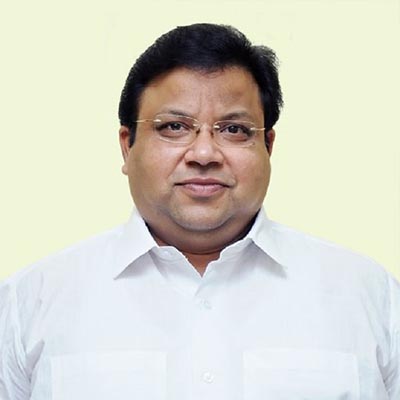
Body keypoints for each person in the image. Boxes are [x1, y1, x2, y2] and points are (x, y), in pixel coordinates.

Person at [0, 23, 399, 400]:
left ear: (268, 146)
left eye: (234, 130)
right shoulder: (30, 303)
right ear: (127, 145)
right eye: (174, 127)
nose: (204, 154)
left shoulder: (370, 296)